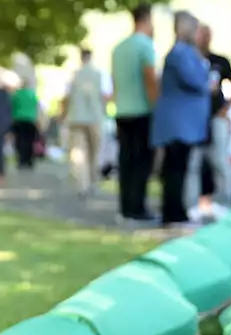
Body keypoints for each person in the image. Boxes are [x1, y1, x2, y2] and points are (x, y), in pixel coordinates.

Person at [152, 11, 212, 226]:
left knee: (179, 168)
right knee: (175, 169)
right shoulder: (180, 54)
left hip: (183, 124)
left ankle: (176, 211)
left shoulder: (185, 53)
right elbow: (196, 81)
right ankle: (173, 213)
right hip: (178, 125)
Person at [111, 4, 159, 221]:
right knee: (141, 162)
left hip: (122, 111)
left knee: (125, 160)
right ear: (147, 19)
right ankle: (137, 207)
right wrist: (155, 106)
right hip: (141, 112)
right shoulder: (145, 45)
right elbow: (150, 78)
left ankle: (125, 206)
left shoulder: (119, 49)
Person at [197, 24, 231, 211]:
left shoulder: (220, 61)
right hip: (197, 118)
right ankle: (199, 199)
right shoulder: (191, 59)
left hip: (216, 116)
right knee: (197, 159)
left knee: (220, 158)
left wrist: (225, 110)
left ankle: (226, 197)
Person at [64, 47, 108, 198]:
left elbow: (67, 97)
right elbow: (105, 96)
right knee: (93, 152)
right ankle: (91, 182)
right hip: (94, 118)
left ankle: (83, 184)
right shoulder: (99, 75)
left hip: (77, 117)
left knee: (79, 153)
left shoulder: (74, 76)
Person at [11, 74, 41, 170]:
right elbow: (37, 107)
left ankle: (21, 160)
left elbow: (12, 107)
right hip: (30, 120)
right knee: (30, 141)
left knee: (20, 140)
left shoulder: (17, 94)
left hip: (19, 119)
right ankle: (29, 160)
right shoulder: (32, 94)